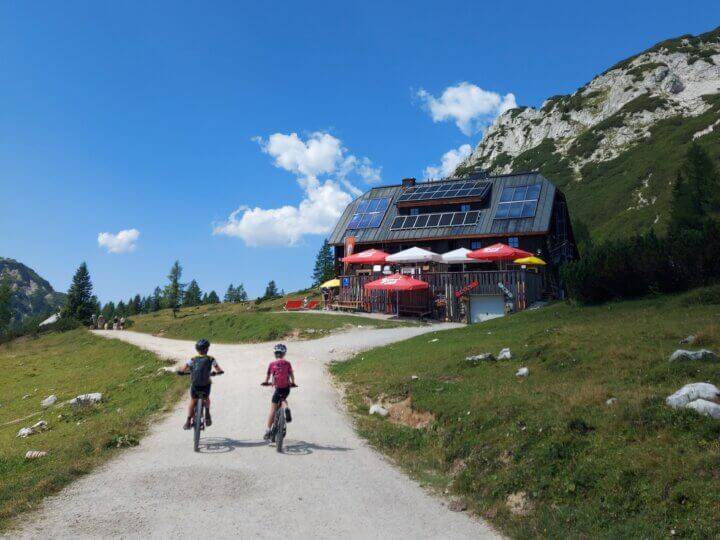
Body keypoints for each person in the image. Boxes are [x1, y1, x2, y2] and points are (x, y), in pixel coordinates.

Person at [178, 339, 224, 430]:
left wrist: (181, 372)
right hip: (206, 384)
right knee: (206, 398)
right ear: (207, 349)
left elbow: (186, 366)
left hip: (195, 384)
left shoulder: (193, 359)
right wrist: (218, 372)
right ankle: (207, 413)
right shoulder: (211, 359)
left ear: (197, 350)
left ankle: (188, 421)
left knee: (193, 400)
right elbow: (218, 369)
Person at [262, 343, 295, 440]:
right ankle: (286, 408)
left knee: (273, 409)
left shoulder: (272, 364)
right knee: (284, 399)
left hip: (277, 388)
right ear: (284, 354)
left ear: (275, 354)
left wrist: (266, 382)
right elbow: (291, 374)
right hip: (286, 387)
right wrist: (293, 383)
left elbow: (268, 376)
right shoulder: (288, 363)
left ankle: (268, 431)